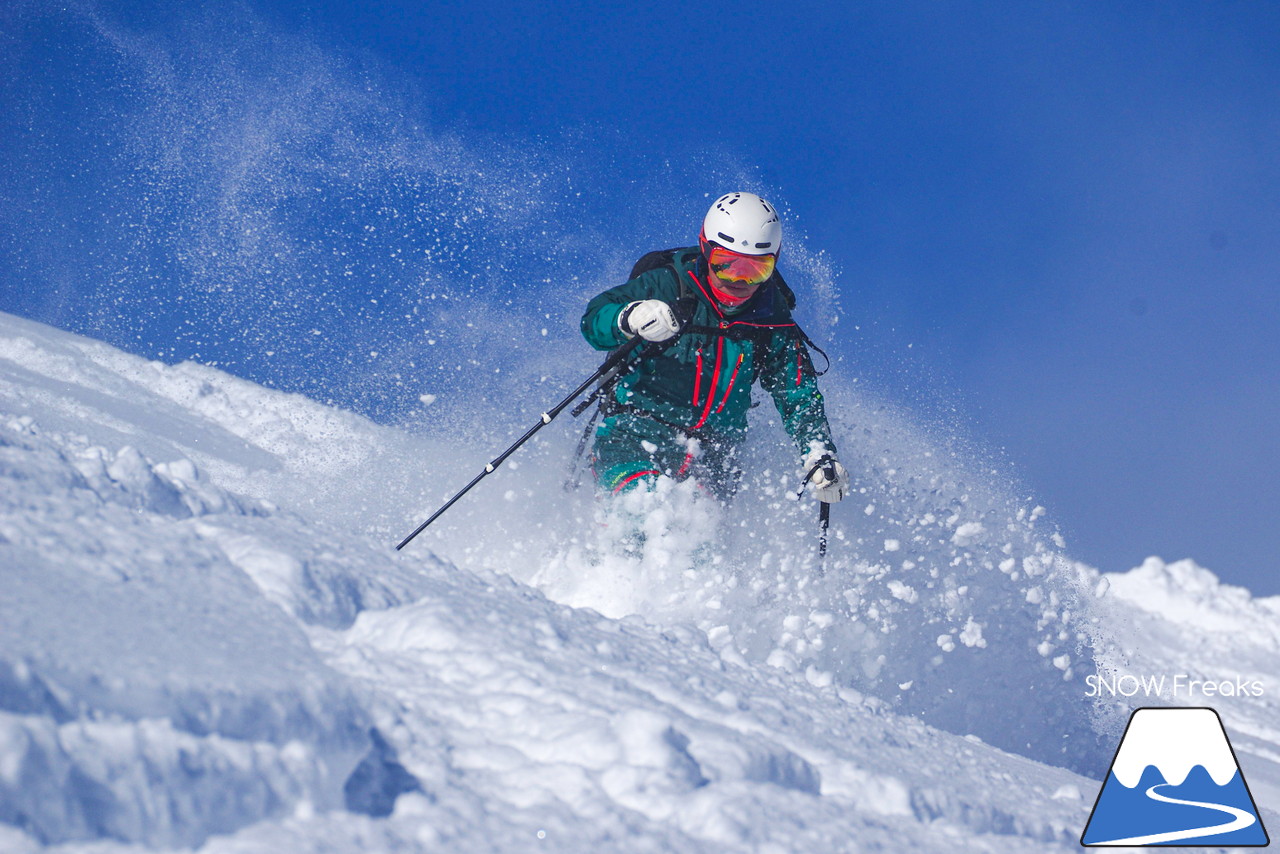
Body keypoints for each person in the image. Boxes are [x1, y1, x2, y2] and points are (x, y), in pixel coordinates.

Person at [580, 191, 848, 505]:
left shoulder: (773, 320)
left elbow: (797, 393)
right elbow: (594, 320)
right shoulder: (668, 286)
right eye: (726, 265)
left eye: (755, 270)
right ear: (705, 250)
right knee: (642, 508)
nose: (739, 281)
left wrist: (819, 453)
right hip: (636, 432)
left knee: (695, 543)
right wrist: (629, 317)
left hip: (715, 455)